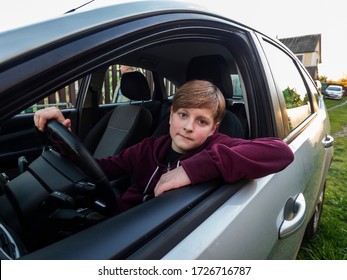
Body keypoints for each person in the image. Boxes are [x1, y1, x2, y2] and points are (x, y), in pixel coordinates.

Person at [34, 80, 294, 213]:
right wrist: (63, 137)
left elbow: (280, 151)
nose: (189, 126)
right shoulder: (148, 148)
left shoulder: (219, 145)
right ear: (170, 116)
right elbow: (99, 168)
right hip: (123, 220)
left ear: (214, 128)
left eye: (201, 121)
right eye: (183, 115)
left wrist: (194, 169)